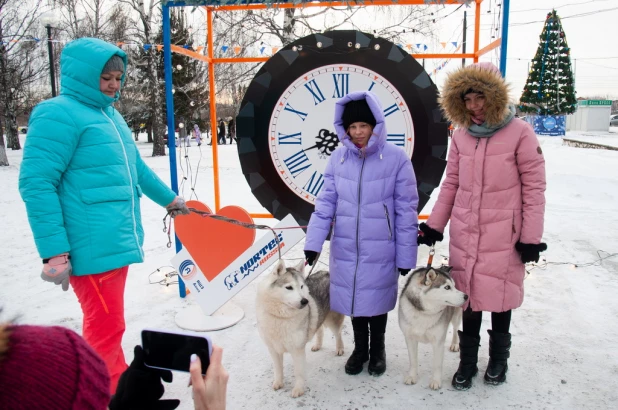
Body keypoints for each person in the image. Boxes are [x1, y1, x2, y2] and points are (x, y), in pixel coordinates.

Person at [18, 37, 191, 394]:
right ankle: (101, 394)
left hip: (113, 238)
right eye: (105, 77)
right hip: (88, 246)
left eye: (118, 77)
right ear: (83, 75)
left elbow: (136, 169)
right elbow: (37, 184)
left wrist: (170, 200)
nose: (114, 84)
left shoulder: (110, 116)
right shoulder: (57, 113)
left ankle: (117, 382)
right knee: (105, 326)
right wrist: (54, 251)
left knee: (108, 324)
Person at [417, 62, 547, 390]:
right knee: (468, 297)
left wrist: (530, 238)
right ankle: (467, 362)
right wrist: (435, 225)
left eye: (480, 98)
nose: (474, 106)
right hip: (466, 230)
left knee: (501, 296)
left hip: (505, 232)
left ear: (493, 97)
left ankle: (499, 359)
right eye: (467, 100)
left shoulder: (520, 133)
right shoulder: (461, 136)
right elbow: (452, 183)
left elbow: (534, 188)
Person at [304, 91, 418, 377]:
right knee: (354, 298)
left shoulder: (396, 159)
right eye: (352, 127)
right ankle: (360, 349)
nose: (357, 133)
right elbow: (326, 202)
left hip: (381, 245)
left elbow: (406, 210)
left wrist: (406, 255)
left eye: (363, 126)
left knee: (376, 300)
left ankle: (377, 350)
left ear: (375, 125)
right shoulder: (338, 158)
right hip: (346, 244)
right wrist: (313, 242)